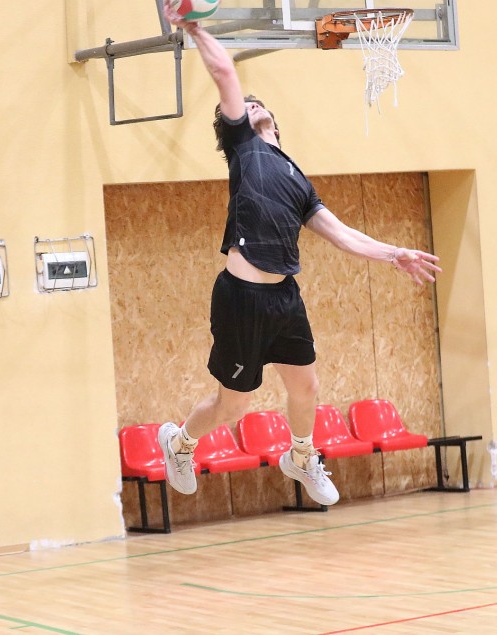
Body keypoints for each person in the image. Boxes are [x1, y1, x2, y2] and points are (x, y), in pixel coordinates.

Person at [158, 6, 442, 506]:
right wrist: (194, 27)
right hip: (241, 297)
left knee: (306, 387)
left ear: (275, 123)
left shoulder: (297, 179)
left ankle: (302, 456)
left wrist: (394, 252)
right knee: (232, 408)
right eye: (244, 105)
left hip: (284, 297)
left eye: (257, 103)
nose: (251, 104)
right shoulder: (244, 149)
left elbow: (341, 234)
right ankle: (179, 443)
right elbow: (224, 72)